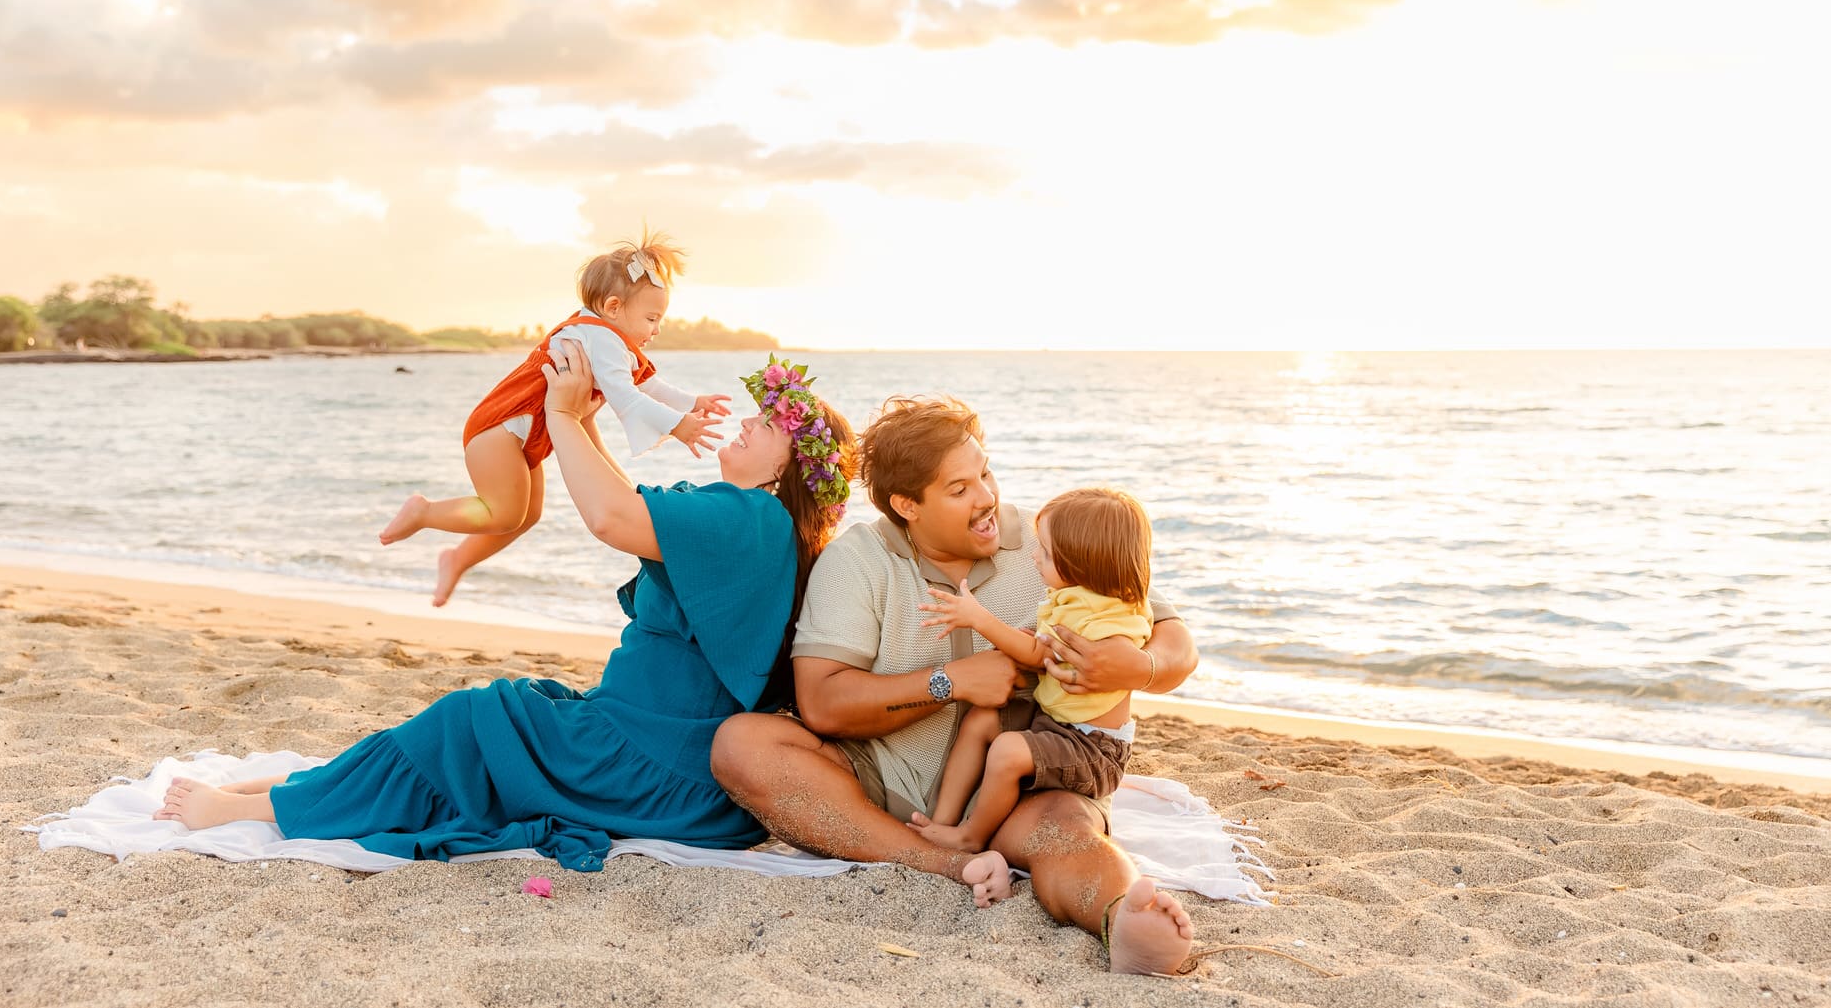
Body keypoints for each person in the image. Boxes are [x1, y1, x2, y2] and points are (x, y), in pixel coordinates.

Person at [150, 347, 1006, 886]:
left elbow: (611, 518)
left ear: (792, 464)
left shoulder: (748, 518)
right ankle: (294, 793)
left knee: (476, 715)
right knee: (512, 710)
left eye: (767, 423)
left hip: (662, 769)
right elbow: (622, 502)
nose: (746, 423)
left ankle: (261, 811)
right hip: (644, 743)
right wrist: (590, 425)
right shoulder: (754, 520)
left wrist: (562, 416)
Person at [710, 397, 1198, 975]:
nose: (987, 498)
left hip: (1025, 786)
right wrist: (953, 682)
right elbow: (821, 702)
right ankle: (942, 861)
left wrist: (1135, 669)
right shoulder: (857, 561)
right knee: (741, 746)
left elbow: (1173, 641)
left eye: (985, 473)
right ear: (906, 505)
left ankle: (1124, 921)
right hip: (880, 783)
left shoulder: (1051, 544)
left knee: (1069, 831)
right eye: (960, 488)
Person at [379, 231, 733, 607]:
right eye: (651, 318)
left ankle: (457, 558)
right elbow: (627, 395)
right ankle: (424, 512)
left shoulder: (607, 336)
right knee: (503, 512)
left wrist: (692, 401)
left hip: (522, 433)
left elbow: (648, 383)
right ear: (613, 307)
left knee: (526, 516)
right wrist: (678, 425)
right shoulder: (601, 339)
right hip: (499, 428)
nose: (656, 329)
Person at [909, 487, 1153, 855]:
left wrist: (979, 619)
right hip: (1056, 724)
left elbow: (1039, 652)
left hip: (1092, 747)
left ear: (1082, 563)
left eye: (1048, 554)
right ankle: (942, 822)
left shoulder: (1099, 615)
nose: (1035, 557)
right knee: (981, 721)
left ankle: (971, 836)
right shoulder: (1081, 597)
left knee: (1008, 750)